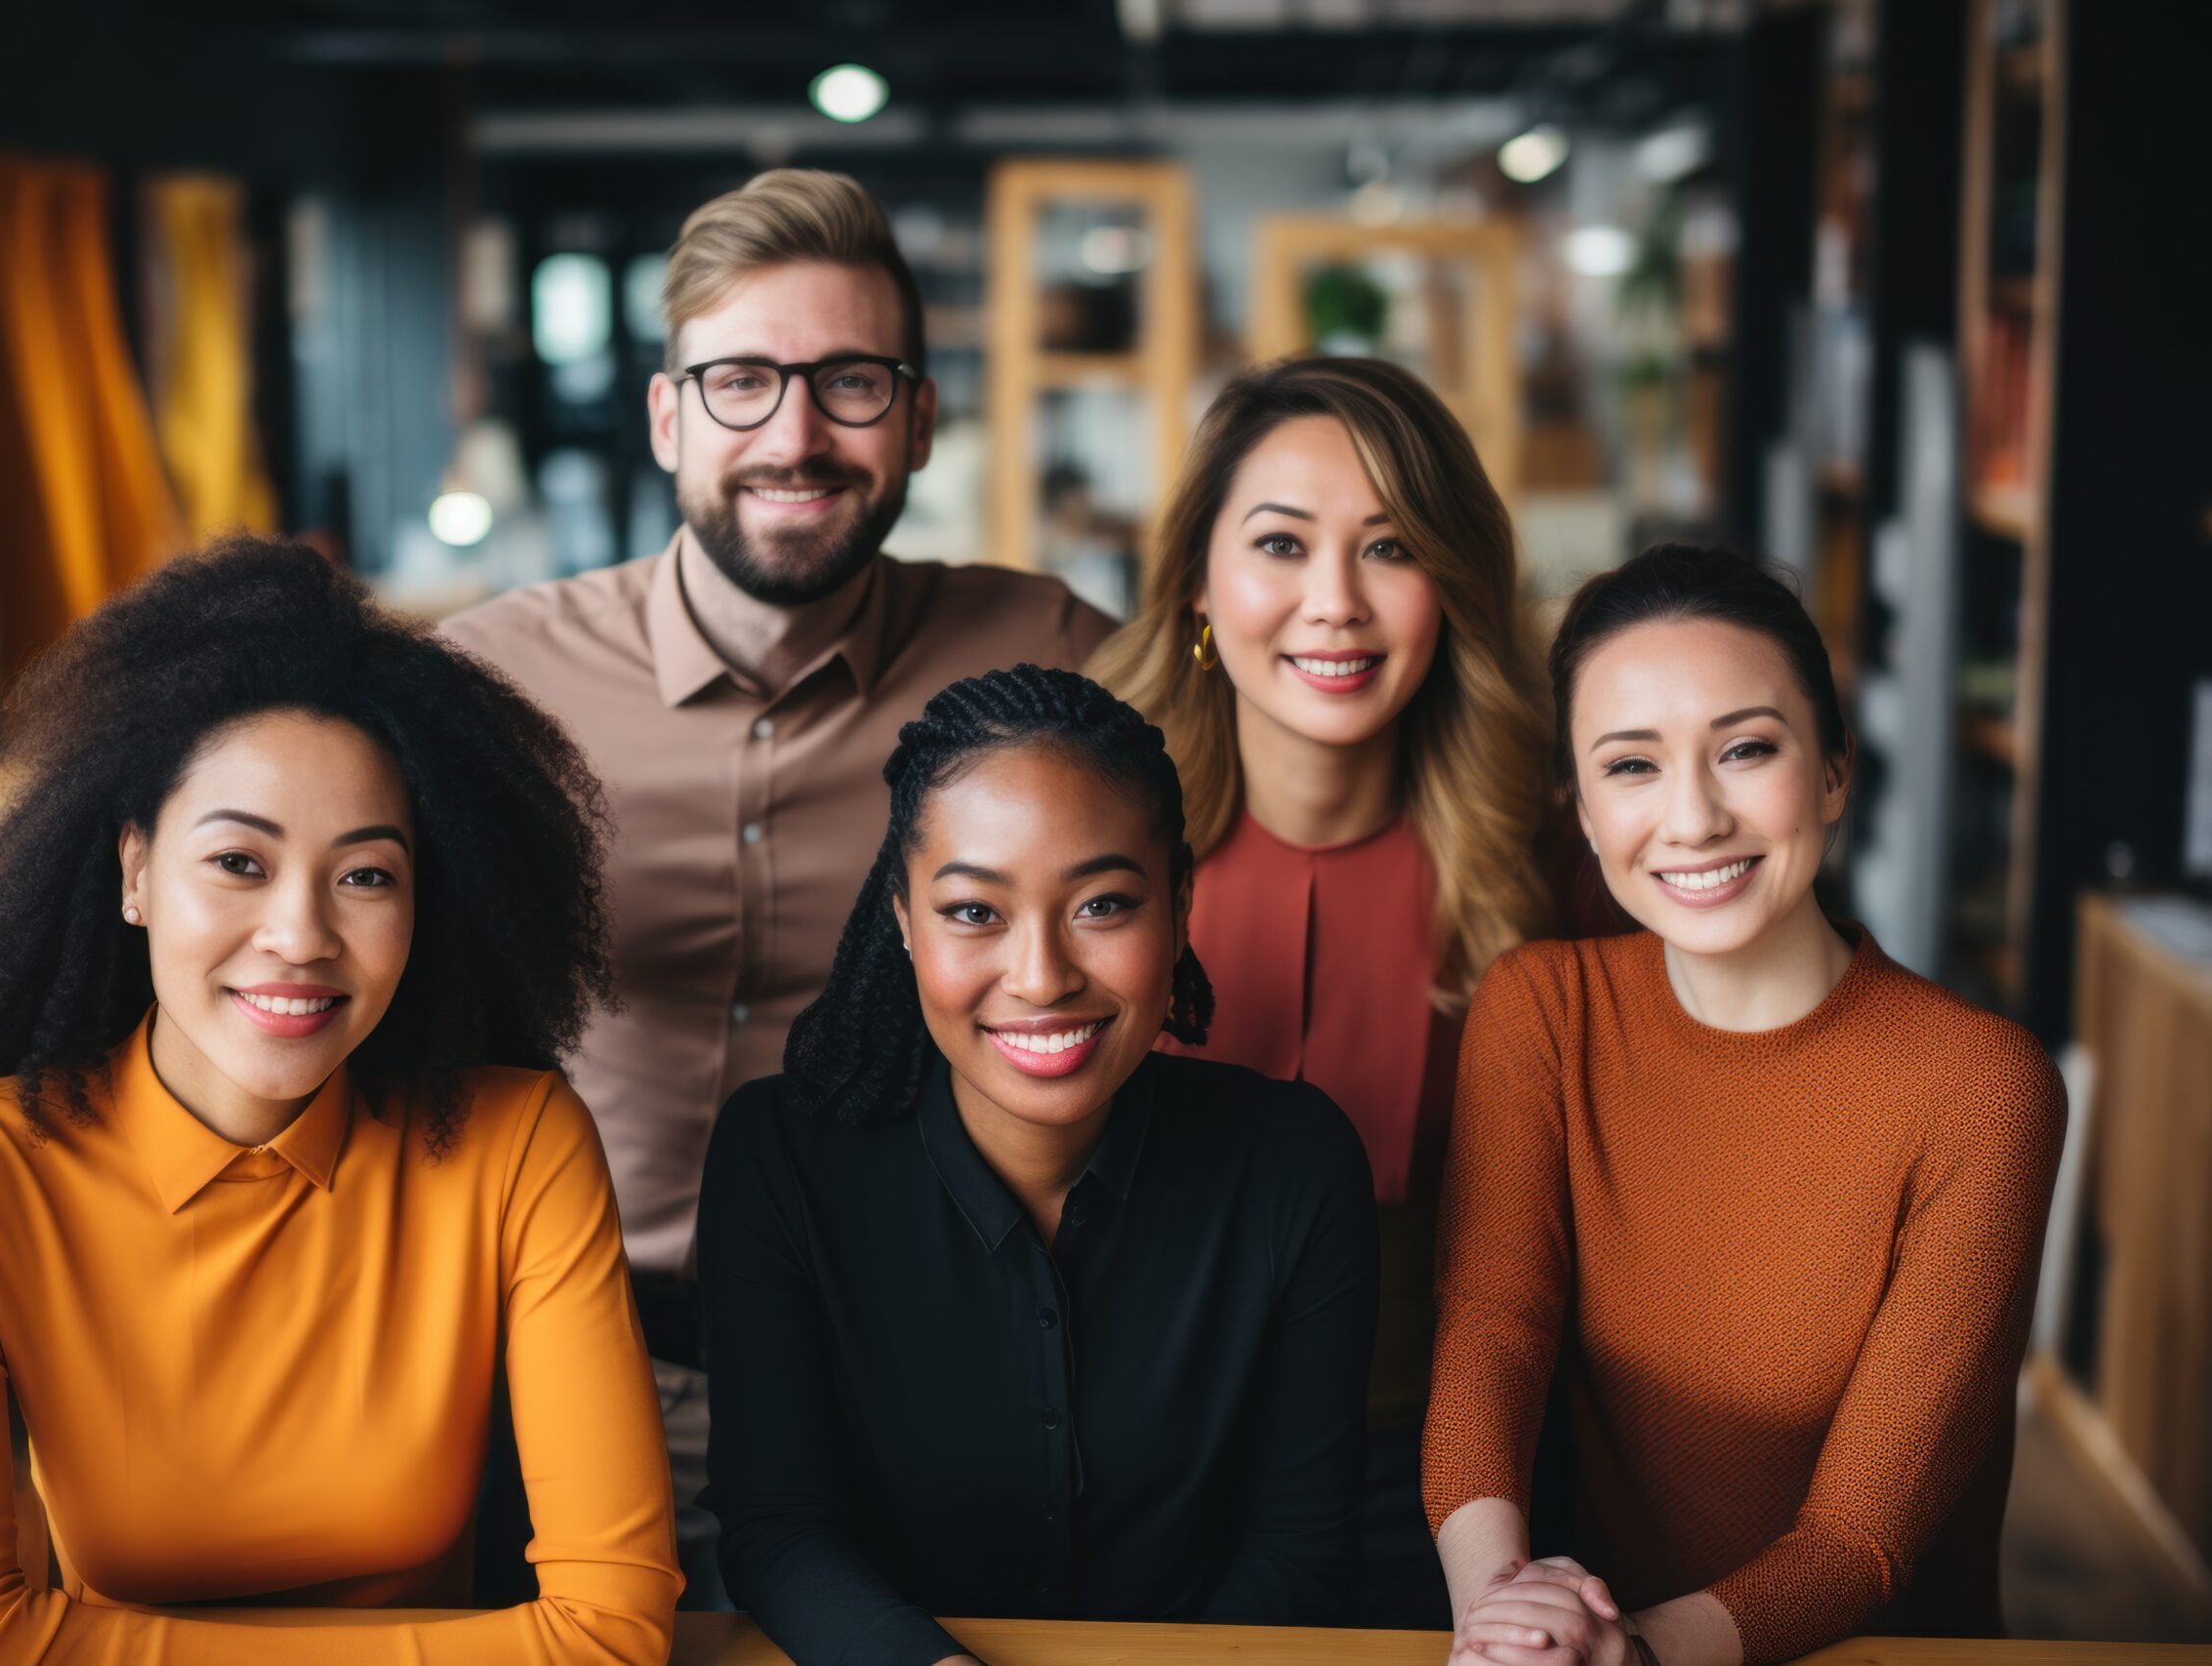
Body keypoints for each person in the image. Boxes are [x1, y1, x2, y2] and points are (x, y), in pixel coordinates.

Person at [0, 541, 681, 1664]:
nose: (301, 936)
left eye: (365, 876)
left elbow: (612, 1631)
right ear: (135, 872)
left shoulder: (519, 1143)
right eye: (239, 863)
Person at [443, 170, 1114, 1373]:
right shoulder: (489, 685)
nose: (794, 440)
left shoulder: (1050, 653)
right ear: (667, 420)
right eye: (739, 384)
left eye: (850, 384)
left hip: (924, 1362)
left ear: (918, 420)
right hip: (571, 1360)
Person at [1425, 545, 2067, 1666]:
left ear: (1830, 774)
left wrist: (1631, 1652)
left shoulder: (1981, 1088)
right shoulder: (1539, 1010)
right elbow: (1492, 1336)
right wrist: (1500, 1617)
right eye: (1631, 767)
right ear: (1578, 810)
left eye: (1746, 750)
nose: (1694, 817)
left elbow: (1862, 1537)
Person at [697, 666, 1379, 1666]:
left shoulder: (1294, 1164)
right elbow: (777, 1531)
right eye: (974, 912)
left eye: (1101, 905)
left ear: (1180, 902)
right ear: (901, 919)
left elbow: (1301, 1547)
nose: (1042, 977)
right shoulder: (779, 1159)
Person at [1086, 355, 1566, 1625]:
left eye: (1391, 547)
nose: (1334, 604)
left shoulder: (1556, 861)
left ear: (1453, 585)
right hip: (1120, 1464)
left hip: (1450, 1482)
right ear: (1199, 578)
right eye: (1282, 544)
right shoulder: (1076, 832)